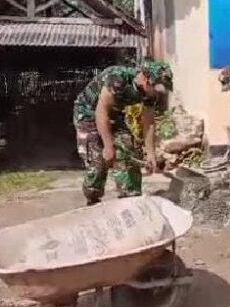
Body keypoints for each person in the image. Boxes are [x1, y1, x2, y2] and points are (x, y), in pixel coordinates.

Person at [73, 60, 173, 205]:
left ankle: (131, 199)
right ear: (145, 79)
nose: (158, 93)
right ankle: (92, 198)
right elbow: (101, 113)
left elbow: (149, 123)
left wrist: (151, 154)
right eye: (156, 88)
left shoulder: (150, 93)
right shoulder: (118, 79)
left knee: (128, 152)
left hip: (115, 114)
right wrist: (108, 146)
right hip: (88, 114)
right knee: (99, 160)